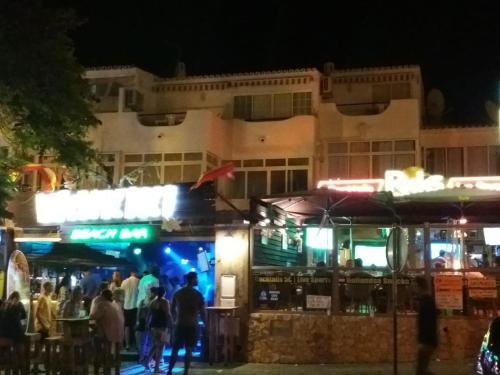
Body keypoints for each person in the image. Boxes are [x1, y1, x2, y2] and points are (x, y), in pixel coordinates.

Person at [168, 272, 206, 375]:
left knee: (175, 349)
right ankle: (185, 372)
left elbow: (171, 309)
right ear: (193, 279)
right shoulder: (198, 295)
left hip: (179, 324)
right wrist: (206, 324)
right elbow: (203, 313)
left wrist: (174, 320)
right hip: (192, 325)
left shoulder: (178, 293)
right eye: (197, 278)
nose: (198, 280)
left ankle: (169, 371)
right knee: (189, 349)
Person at [142, 286, 173, 373]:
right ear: (164, 293)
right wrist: (172, 324)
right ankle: (156, 368)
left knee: (155, 345)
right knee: (160, 347)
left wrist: (147, 324)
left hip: (153, 326)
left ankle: (147, 362)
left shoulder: (153, 302)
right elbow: (168, 314)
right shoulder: (165, 302)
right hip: (162, 327)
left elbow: (149, 315)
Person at [415, 276, 437, 375]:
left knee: (420, 370)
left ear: (419, 287)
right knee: (422, 370)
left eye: (414, 286)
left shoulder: (426, 302)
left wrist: (424, 341)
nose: (413, 289)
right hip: (427, 341)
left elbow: (428, 323)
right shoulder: (426, 301)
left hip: (426, 341)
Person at [136, 288, 157, 364]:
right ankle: (144, 359)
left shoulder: (144, 302)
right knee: (145, 342)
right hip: (146, 323)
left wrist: (138, 321)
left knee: (145, 342)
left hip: (146, 323)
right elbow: (139, 313)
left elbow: (139, 313)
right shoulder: (152, 302)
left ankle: (144, 359)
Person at [122, 270, 140, 350]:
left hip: (126, 306)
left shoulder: (124, 282)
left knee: (126, 326)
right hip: (135, 306)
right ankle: (137, 345)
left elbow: (122, 293)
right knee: (135, 326)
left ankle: (127, 345)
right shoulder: (139, 281)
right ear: (135, 272)